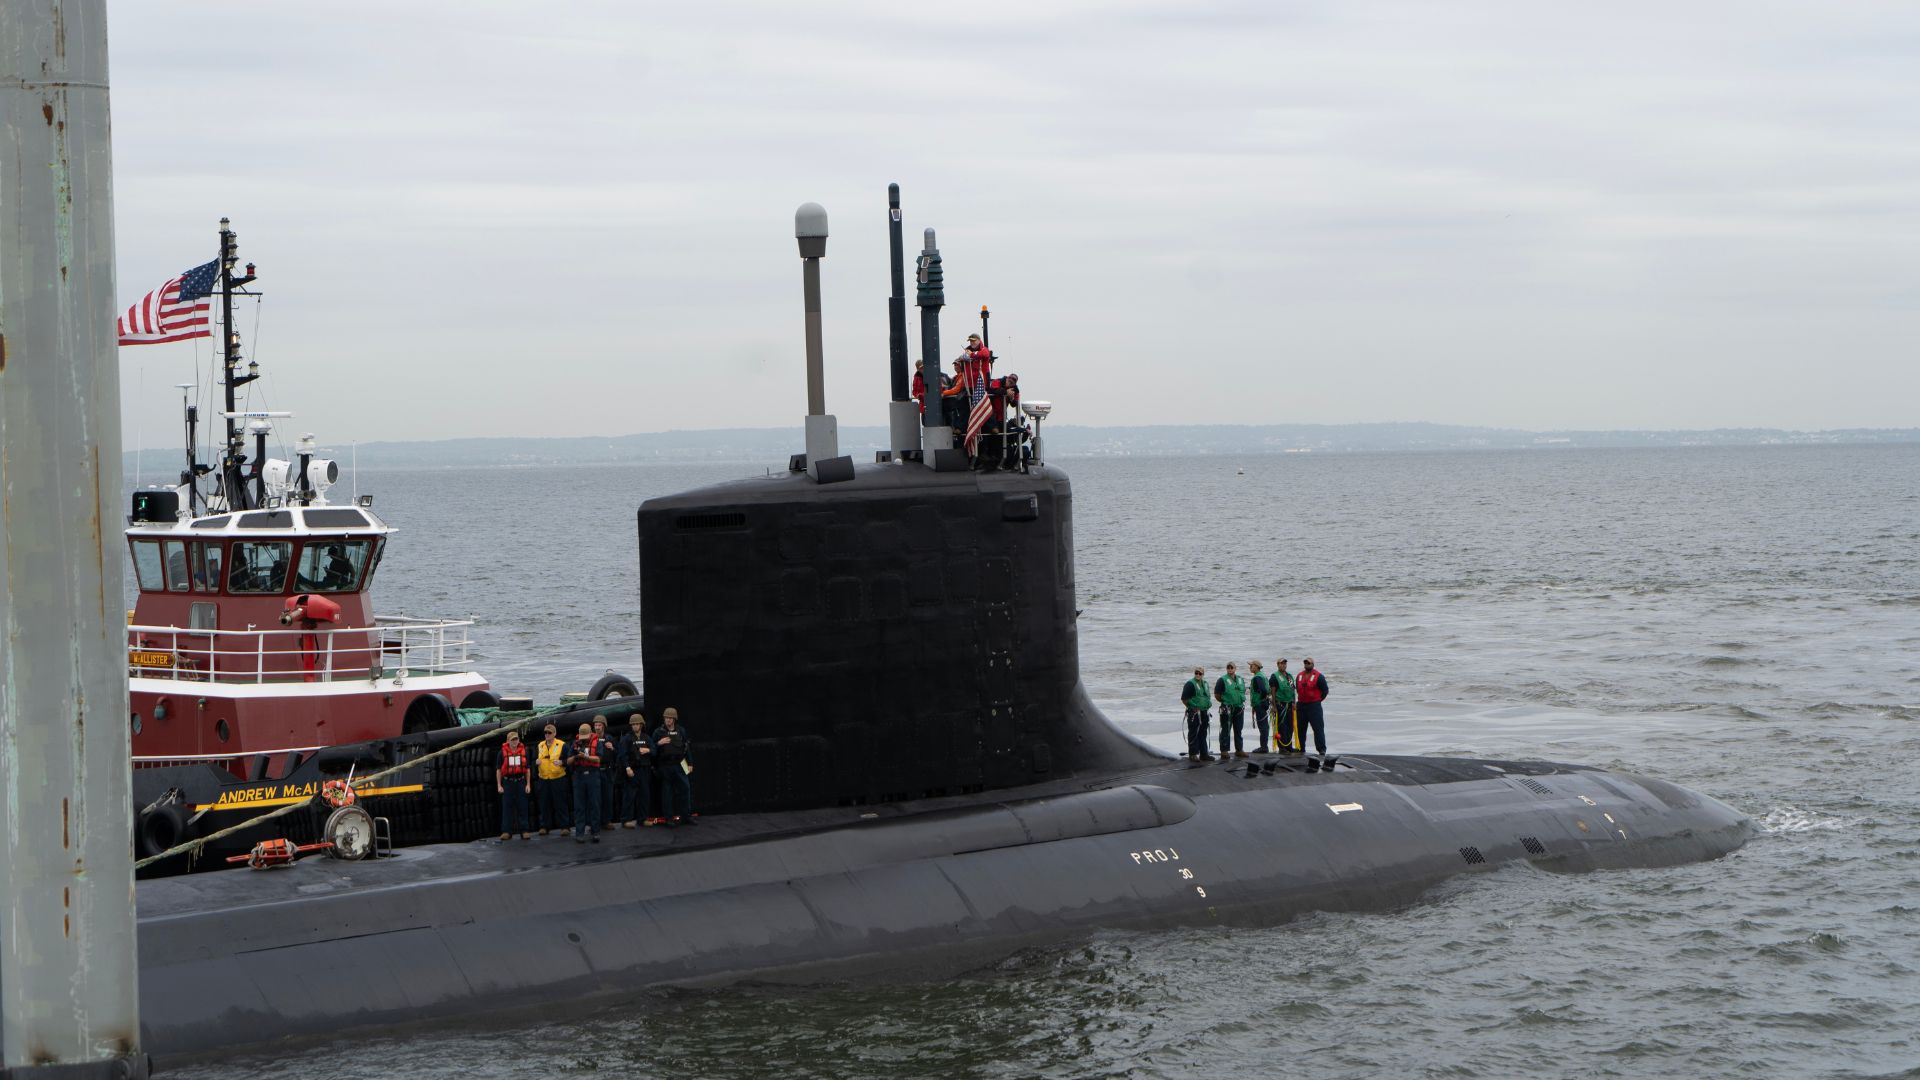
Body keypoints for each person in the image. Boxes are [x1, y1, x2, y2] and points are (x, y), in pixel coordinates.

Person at [565, 722, 606, 843]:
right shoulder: (575, 744)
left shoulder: (597, 742)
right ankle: (579, 833)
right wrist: (576, 757)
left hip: (593, 774)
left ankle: (595, 831)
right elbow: (568, 761)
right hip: (579, 776)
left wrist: (586, 757)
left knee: (594, 804)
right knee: (579, 806)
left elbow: (598, 758)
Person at [652, 707, 692, 826]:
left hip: (680, 764)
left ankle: (686, 816)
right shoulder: (658, 732)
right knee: (667, 793)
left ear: (674, 719)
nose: (667, 720)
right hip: (666, 765)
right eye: (666, 718)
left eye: (670, 718)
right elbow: (652, 749)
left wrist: (690, 763)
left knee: (685, 789)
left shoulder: (681, 731)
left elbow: (686, 748)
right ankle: (668, 818)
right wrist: (659, 743)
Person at [617, 712, 653, 828]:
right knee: (629, 796)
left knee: (644, 795)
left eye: (637, 724)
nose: (635, 726)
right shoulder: (627, 738)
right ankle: (626, 820)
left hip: (644, 770)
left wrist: (648, 750)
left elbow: (655, 750)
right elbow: (622, 755)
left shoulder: (646, 738)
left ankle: (642, 819)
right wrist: (627, 768)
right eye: (633, 724)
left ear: (641, 725)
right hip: (632, 770)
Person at [496, 728, 532, 840]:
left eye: (516, 739)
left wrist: (528, 784)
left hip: (520, 781)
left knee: (523, 806)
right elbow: (498, 770)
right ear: (508, 741)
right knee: (507, 807)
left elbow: (527, 769)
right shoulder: (501, 753)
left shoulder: (524, 751)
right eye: (512, 740)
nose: (514, 741)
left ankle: (524, 830)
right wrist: (499, 785)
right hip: (508, 782)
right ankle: (506, 831)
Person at [534, 723, 568, 835]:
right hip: (544, 778)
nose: (547, 735)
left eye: (549, 733)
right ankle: (544, 826)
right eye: (545, 733)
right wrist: (536, 762)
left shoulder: (562, 745)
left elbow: (569, 760)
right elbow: (533, 761)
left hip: (558, 778)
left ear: (554, 733)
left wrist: (562, 762)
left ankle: (564, 827)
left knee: (560, 803)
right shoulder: (540, 745)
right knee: (544, 804)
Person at [1294, 657, 1331, 757]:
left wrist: (1318, 700)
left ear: (1313, 665)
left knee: (1318, 728)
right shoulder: (1299, 676)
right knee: (1300, 729)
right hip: (1301, 705)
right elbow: (1297, 689)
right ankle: (1300, 748)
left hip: (1314, 706)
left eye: (1309, 663)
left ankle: (1321, 749)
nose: (1307, 665)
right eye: (1305, 663)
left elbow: (1325, 691)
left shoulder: (1319, 676)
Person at [1214, 661, 1248, 758]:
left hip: (1239, 708)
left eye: (1231, 668)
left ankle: (1239, 750)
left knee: (1238, 729)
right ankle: (1224, 751)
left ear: (1235, 668)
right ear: (1226, 669)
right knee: (1225, 729)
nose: (1230, 669)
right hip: (1227, 708)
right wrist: (1225, 702)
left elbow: (1243, 691)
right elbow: (1217, 695)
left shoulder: (1240, 679)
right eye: (1228, 668)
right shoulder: (1222, 680)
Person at [1180, 667, 1213, 762]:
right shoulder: (1190, 684)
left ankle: (1204, 754)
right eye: (1196, 673)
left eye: (1200, 673)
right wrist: (1192, 708)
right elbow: (1184, 699)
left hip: (1204, 711)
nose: (1198, 675)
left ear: (1203, 674)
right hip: (1194, 712)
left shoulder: (1205, 684)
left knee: (1203, 733)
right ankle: (1193, 754)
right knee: (1193, 733)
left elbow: (1207, 696)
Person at [593, 716, 618, 830]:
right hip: (595, 770)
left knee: (608, 797)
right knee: (595, 798)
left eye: (599, 725)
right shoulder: (591, 739)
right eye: (596, 725)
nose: (597, 727)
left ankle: (607, 821)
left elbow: (618, 754)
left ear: (604, 726)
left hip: (607, 770)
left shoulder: (610, 738)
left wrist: (612, 748)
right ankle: (595, 822)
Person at [1271, 658, 1297, 753]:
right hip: (1280, 704)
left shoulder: (1289, 676)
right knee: (1281, 727)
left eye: (1284, 663)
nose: (1283, 665)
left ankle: (1289, 746)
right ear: (1277, 665)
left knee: (1290, 726)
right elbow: (1273, 693)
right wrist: (1274, 706)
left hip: (1289, 704)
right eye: (1281, 664)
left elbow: (1292, 690)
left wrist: (1294, 702)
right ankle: (1282, 747)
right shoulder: (1274, 676)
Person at [1248, 660, 1271, 754]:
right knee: (1264, 725)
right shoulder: (1263, 676)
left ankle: (1264, 747)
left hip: (1260, 704)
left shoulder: (1257, 677)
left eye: (1251, 666)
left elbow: (1264, 690)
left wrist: (1260, 700)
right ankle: (1264, 746)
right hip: (1263, 703)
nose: (1250, 667)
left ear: (1257, 667)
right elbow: (1267, 690)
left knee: (1263, 726)